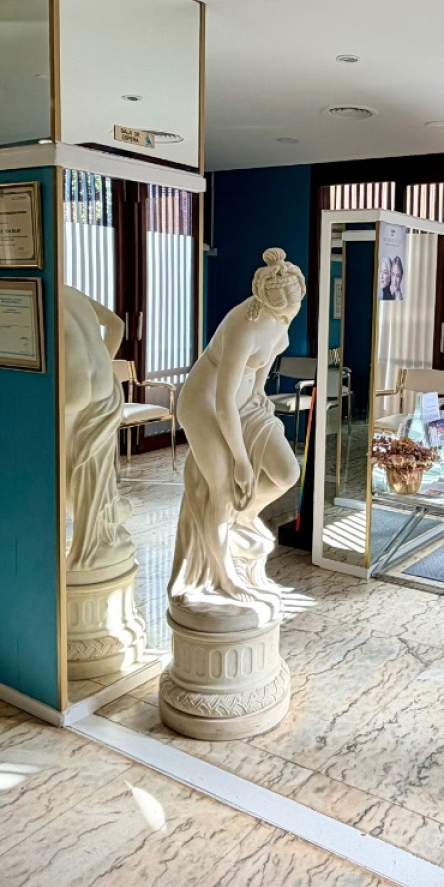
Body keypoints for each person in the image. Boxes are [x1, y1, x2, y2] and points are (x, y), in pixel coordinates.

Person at [169, 247, 306, 620]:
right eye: (282, 310)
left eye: (294, 307)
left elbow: (265, 361)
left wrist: (260, 391)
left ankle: (241, 518)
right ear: (264, 300)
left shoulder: (284, 310)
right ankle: (223, 576)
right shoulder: (244, 326)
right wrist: (242, 461)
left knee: (287, 472)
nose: (289, 315)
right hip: (207, 403)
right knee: (224, 490)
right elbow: (223, 401)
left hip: (245, 401)